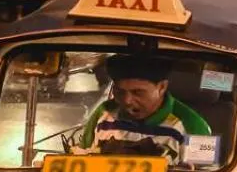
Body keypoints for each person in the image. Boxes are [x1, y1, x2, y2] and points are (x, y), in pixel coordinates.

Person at [76, 55, 213, 165]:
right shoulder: (104, 112)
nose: (126, 101)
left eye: (138, 92)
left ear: (162, 87)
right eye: (120, 92)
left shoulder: (194, 126)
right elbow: (79, 157)